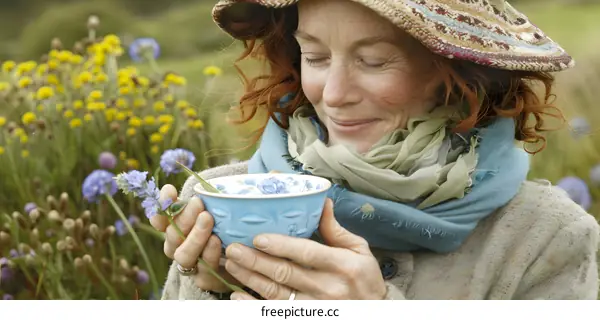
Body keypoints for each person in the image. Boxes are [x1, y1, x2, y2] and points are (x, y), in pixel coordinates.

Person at [151, 0, 600, 300]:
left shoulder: (545, 237)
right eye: (316, 57)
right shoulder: (218, 198)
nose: (335, 93)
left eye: (374, 61)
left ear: (457, 73)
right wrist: (211, 288)